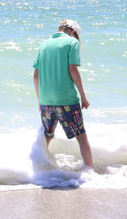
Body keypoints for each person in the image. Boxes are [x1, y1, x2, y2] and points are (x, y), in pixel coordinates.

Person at [33, 19, 93, 170]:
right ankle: (89, 170)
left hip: (46, 99)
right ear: (73, 32)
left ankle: (40, 169)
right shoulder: (71, 43)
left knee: (47, 135)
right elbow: (73, 69)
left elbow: (35, 75)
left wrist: (40, 100)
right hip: (66, 99)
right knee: (81, 136)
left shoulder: (44, 45)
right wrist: (83, 96)